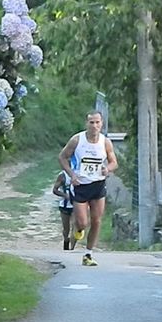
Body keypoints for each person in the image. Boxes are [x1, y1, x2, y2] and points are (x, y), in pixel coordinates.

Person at [58, 110, 118, 266]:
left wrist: (108, 169)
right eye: (91, 122)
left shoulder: (105, 142)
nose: (94, 126)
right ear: (87, 123)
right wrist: (71, 174)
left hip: (98, 184)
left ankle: (88, 254)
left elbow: (113, 162)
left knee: (97, 220)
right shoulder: (77, 140)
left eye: (97, 122)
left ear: (102, 124)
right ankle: (78, 229)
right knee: (83, 222)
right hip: (80, 185)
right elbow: (62, 157)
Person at [52, 171, 76, 250]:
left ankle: (72, 248)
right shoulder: (62, 175)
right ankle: (66, 241)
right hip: (65, 205)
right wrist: (65, 195)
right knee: (66, 228)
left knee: (75, 226)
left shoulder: (80, 172)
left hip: (76, 205)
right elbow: (55, 190)